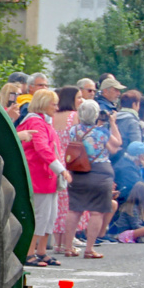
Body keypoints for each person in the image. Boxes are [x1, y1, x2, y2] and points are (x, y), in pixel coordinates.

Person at [62, 99, 121, 259]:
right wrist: (113, 123)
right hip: (100, 173)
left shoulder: (73, 130)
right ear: (96, 115)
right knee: (97, 212)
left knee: (74, 209)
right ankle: (89, 249)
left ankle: (68, 247)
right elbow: (116, 145)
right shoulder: (102, 132)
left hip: (78, 171)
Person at [17, 90, 71, 266]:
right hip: (39, 176)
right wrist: (60, 169)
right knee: (40, 216)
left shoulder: (43, 122)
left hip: (47, 177)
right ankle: (30, 252)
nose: (56, 107)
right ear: (43, 104)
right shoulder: (35, 122)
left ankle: (40, 251)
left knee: (49, 215)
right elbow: (42, 149)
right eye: (53, 104)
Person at [52, 86, 84, 255]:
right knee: (70, 205)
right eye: (78, 98)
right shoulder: (74, 117)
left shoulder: (53, 117)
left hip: (55, 162)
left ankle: (57, 243)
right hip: (71, 163)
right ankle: (68, 242)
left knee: (58, 203)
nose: (81, 101)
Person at [113, 140, 144, 206]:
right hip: (125, 204)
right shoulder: (128, 169)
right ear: (140, 157)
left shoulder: (128, 163)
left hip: (130, 199)